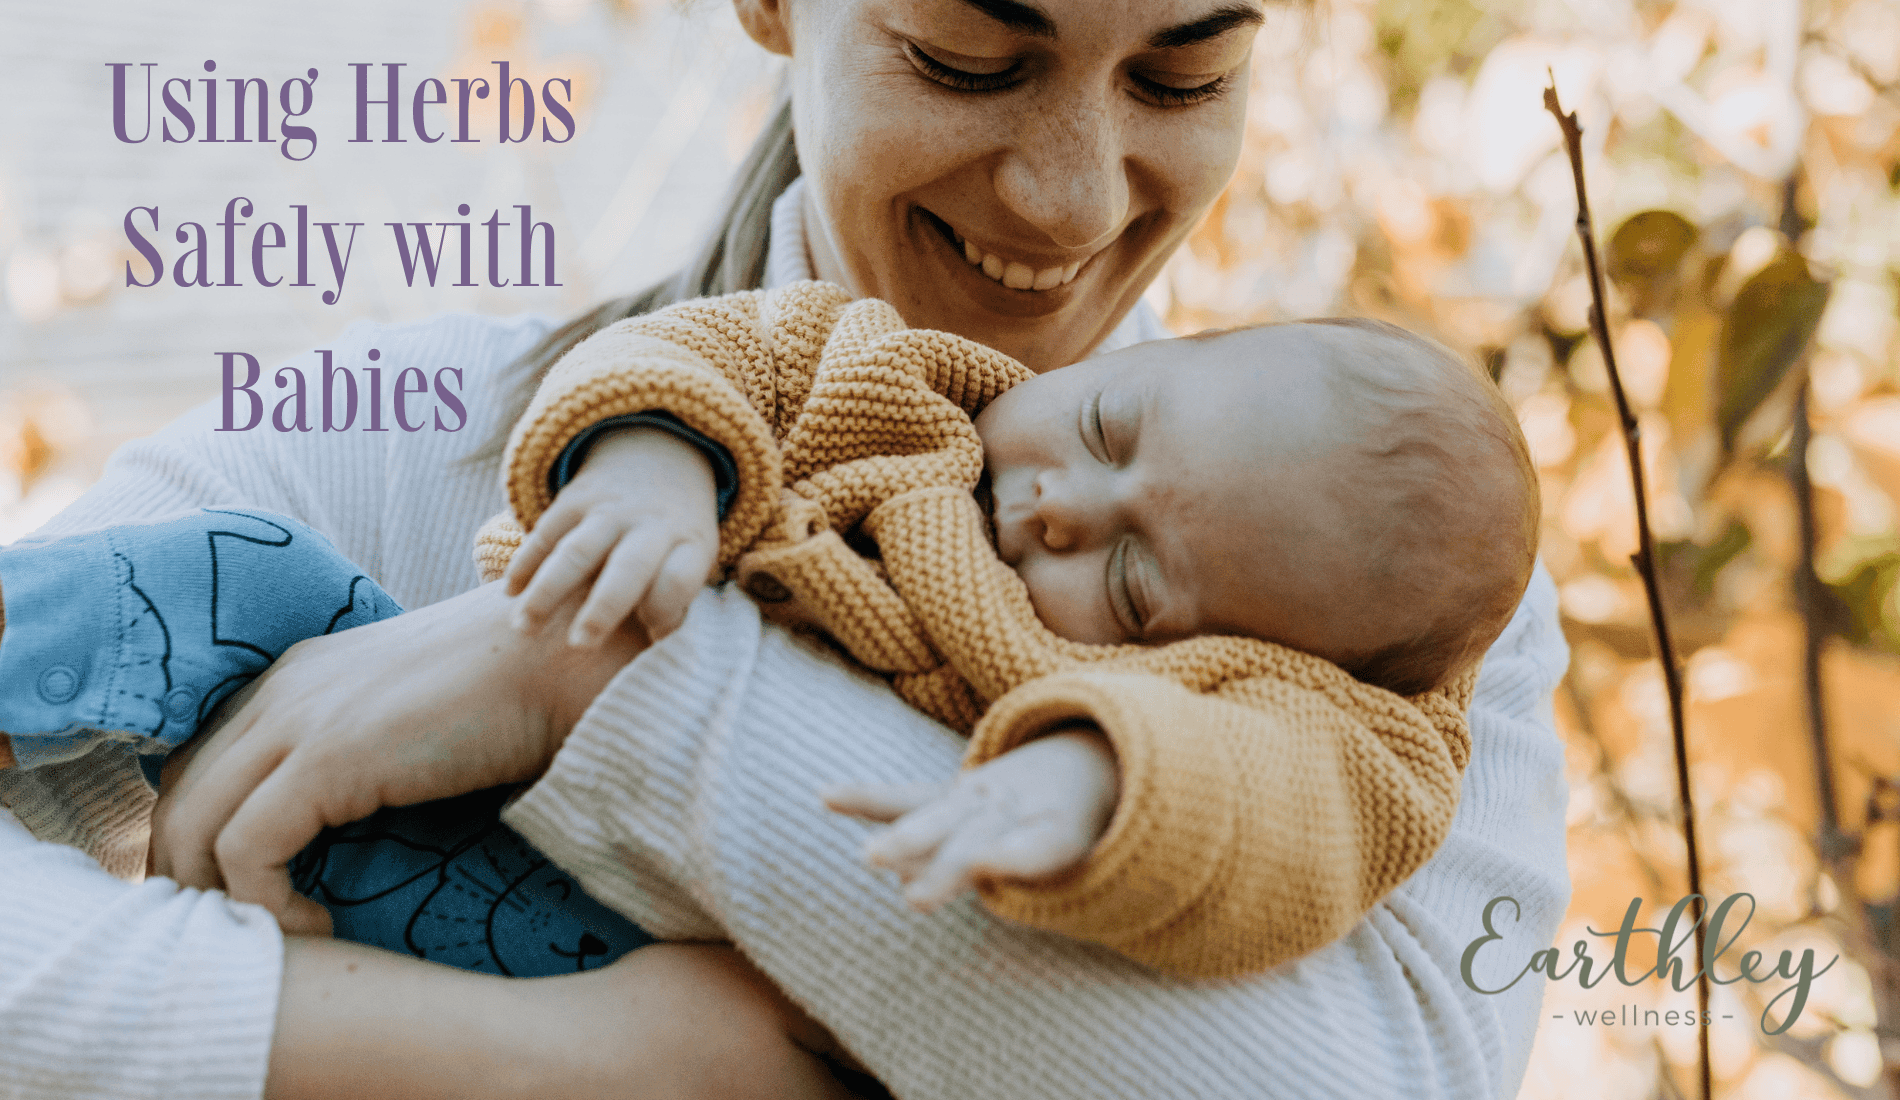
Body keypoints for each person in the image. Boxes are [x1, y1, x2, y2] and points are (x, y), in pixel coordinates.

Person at [0, 1, 1572, 1097]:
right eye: (966, 57)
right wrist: (588, 1073)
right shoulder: (409, 433)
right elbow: (697, 380)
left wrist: (601, 688)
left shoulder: (1381, 593)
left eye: (1182, 78)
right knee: (229, 578)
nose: (1072, 193)